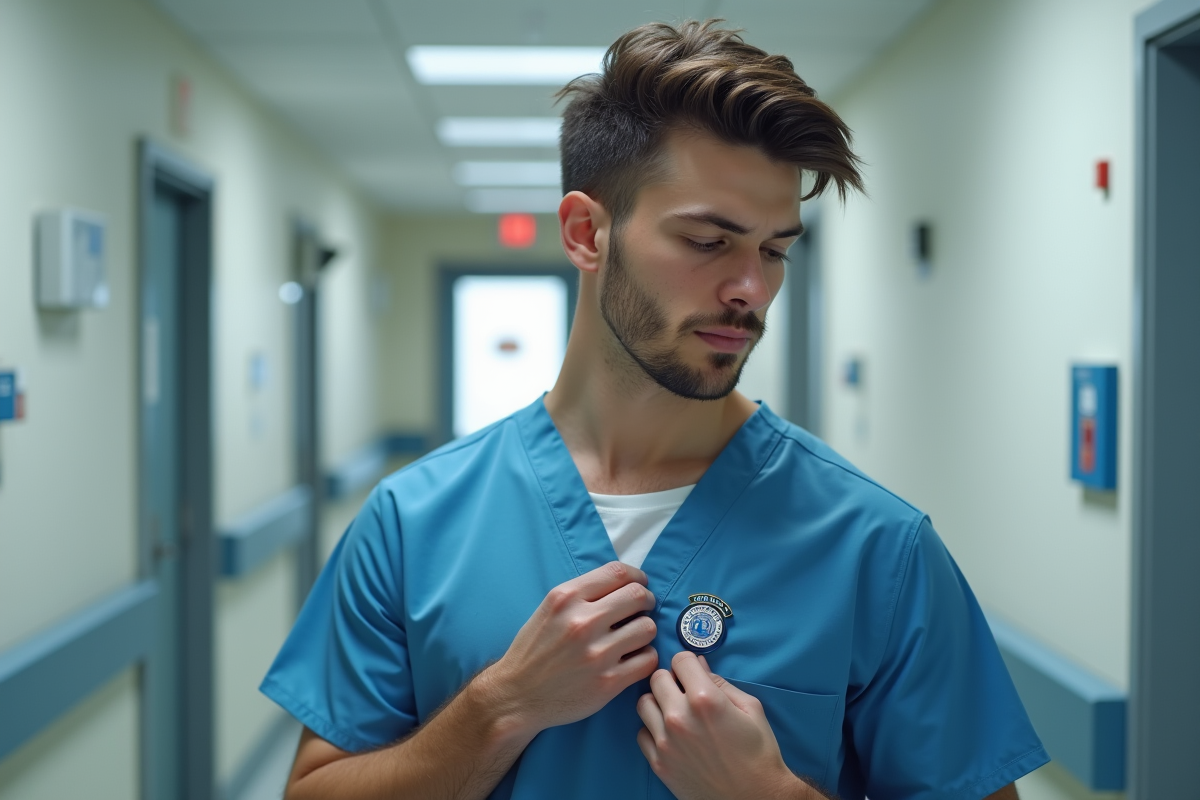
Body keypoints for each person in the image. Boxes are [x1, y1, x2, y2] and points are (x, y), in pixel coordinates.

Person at [262, 19, 1049, 800]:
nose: (752, 287)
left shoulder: (875, 547)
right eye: (709, 241)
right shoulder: (414, 522)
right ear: (585, 233)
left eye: (775, 250)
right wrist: (500, 708)